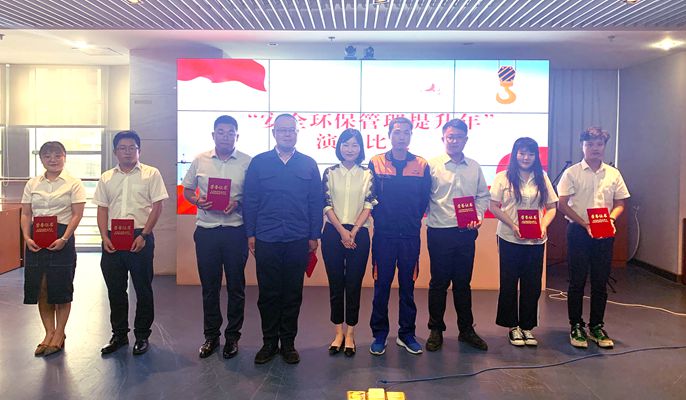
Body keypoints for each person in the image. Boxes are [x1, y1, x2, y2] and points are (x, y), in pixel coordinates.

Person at [243, 113, 323, 365]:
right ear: (274, 133)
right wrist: (251, 233)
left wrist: (314, 235)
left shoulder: (308, 164)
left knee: (292, 293)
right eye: (282, 130)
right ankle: (269, 343)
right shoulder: (259, 163)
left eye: (291, 130)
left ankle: (288, 343)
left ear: (297, 133)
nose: (287, 134)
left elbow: (315, 202)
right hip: (267, 237)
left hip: (298, 238)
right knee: (268, 293)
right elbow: (250, 200)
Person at [93, 130, 168, 356]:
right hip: (113, 237)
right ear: (115, 151)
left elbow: (157, 207)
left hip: (139, 236)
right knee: (115, 289)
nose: (127, 152)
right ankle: (119, 335)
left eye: (132, 148)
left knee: (143, 289)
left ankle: (142, 335)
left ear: (139, 150)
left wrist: (144, 235)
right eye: (122, 148)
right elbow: (102, 209)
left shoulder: (151, 174)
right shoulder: (106, 177)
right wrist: (104, 237)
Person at [182, 115, 251, 359]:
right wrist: (197, 200)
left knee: (236, 287)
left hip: (235, 231)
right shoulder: (199, 160)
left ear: (237, 136)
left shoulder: (247, 162)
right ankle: (211, 336)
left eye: (230, 132)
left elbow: (253, 196)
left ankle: (233, 337)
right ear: (213, 135)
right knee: (210, 287)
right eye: (221, 132)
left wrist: (238, 203)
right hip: (207, 231)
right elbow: (187, 190)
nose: (225, 136)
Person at [557, 126, 630, 349]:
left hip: (604, 231)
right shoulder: (572, 173)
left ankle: (596, 325)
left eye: (599, 144)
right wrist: (584, 224)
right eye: (589, 144)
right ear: (582, 146)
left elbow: (620, 203)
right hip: (578, 231)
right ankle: (576, 325)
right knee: (577, 281)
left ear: (604, 146)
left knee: (600, 281)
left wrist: (610, 219)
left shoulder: (613, 173)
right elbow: (562, 205)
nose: (595, 148)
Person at [368, 116, 431, 356]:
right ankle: (380, 334)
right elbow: (370, 196)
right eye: (397, 132)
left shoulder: (421, 165)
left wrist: (412, 220)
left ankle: (406, 334)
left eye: (406, 132)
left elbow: (424, 199)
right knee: (381, 286)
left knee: (408, 286)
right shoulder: (376, 162)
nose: (401, 136)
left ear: (410, 136)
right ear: (389, 135)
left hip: (410, 237)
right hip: (383, 236)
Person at [425, 118, 490, 352]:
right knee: (439, 283)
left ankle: (466, 330)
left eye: (458, 137)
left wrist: (479, 215)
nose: (454, 141)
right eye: (450, 137)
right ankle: (435, 329)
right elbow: (423, 197)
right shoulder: (431, 166)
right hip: (439, 231)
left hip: (466, 232)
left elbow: (483, 196)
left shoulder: (474, 166)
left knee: (463, 283)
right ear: (443, 138)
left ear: (466, 140)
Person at [489, 137, 558, 347]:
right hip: (509, 238)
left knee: (532, 284)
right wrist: (513, 225)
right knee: (509, 283)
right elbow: (493, 206)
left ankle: (527, 326)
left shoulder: (542, 177)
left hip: (536, 240)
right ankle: (512, 327)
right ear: (515, 154)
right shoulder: (503, 177)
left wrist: (543, 225)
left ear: (536, 156)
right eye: (521, 153)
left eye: (530, 154)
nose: (526, 158)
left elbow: (552, 207)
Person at [21, 141, 86, 357]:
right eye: (47, 155)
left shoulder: (73, 183)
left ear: (64, 157)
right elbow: (26, 213)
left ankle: (60, 333)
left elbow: (77, 214)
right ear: (41, 159)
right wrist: (26, 237)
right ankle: (48, 332)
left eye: (57, 155)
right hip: (36, 238)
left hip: (61, 237)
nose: (53, 159)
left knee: (61, 287)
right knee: (41, 286)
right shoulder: (32, 183)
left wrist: (65, 238)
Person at [321, 129, 376, 357]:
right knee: (336, 284)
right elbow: (326, 203)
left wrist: (352, 231)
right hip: (333, 233)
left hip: (358, 234)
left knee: (353, 285)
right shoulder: (329, 173)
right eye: (345, 144)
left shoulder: (367, 174)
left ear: (360, 148)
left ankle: (351, 333)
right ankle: (338, 333)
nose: (350, 149)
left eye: (354, 145)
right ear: (339, 147)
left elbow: (369, 204)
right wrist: (342, 232)